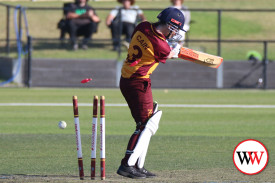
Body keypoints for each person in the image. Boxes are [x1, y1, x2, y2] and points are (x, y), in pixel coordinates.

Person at [117, 8, 185, 179]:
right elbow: (165, 53)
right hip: (138, 82)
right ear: (170, 26)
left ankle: (138, 165)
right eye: (175, 29)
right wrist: (174, 51)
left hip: (128, 78)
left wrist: (169, 47)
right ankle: (127, 165)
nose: (175, 33)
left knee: (147, 121)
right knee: (145, 125)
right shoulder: (162, 46)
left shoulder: (143, 26)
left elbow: (155, 42)